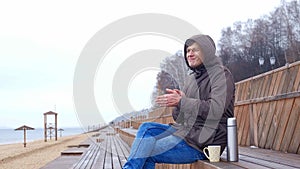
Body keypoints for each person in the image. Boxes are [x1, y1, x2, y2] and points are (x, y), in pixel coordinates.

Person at [122, 34, 235, 169]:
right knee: (147, 128)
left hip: (205, 142)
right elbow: (179, 119)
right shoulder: (191, 79)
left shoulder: (221, 75)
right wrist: (178, 105)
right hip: (186, 133)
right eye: (188, 51)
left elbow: (216, 109)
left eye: (195, 50)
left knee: (146, 151)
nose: (190, 54)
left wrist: (183, 101)